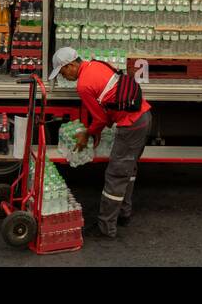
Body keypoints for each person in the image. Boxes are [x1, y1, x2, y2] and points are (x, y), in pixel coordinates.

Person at [48, 47, 152, 240]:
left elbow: (100, 119)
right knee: (128, 169)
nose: (64, 77)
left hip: (130, 125)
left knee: (115, 175)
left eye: (62, 72)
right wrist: (96, 130)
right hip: (144, 116)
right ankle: (124, 214)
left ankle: (106, 227)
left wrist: (87, 134)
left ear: (71, 66)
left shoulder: (83, 85)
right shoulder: (97, 64)